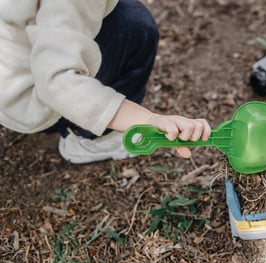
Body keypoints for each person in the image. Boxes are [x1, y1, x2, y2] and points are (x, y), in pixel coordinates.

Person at [0, 0, 211, 163]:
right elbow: (55, 82)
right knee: (136, 30)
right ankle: (89, 141)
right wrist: (148, 120)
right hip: (25, 97)